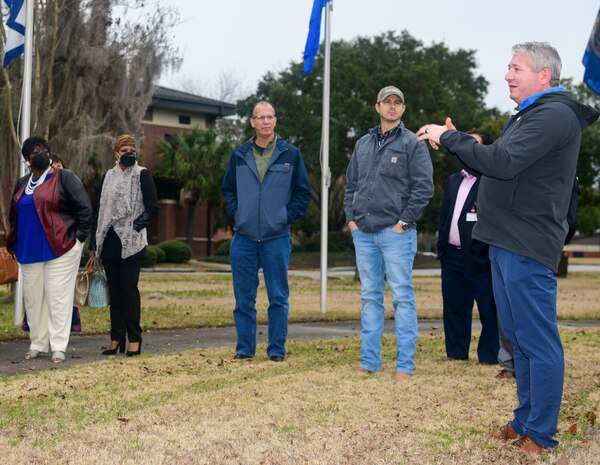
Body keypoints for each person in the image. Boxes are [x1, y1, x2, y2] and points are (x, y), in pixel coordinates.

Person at [418, 42, 599, 454]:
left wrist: (451, 137)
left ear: (544, 76)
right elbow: (495, 162)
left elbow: (501, 162)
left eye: (516, 68)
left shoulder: (554, 114)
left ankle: (540, 434)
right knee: (517, 339)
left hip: (526, 242)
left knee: (537, 341)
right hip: (503, 240)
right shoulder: (530, 114)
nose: (507, 75)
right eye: (508, 67)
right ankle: (524, 420)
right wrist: (455, 142)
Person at [344, 86, 434, 380]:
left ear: (403, 109)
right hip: (364, 233)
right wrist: (351, 220)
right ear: (377, 107)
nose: (392, 107)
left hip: (396, 233)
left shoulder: (412, 143)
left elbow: (424, 188)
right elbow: (351, 185)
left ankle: (404, 366)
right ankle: (369, 361)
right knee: (370, 297)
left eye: (397, 103)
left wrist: (404, 222)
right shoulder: (362, 144)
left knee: (402, 298)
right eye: (387, 102)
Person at [221, 101, 311, 362]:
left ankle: (276, 351)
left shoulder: (290, 154)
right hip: (244, 238)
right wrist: (238, 214)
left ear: (275, 120)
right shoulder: (239, 154)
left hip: (277, 238)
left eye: (270, 116)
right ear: (252, 122)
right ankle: (245, 350)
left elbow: (303, 193)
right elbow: (228, 190)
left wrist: (283, 217)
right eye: (260, 117)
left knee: (278, 298)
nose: (265, 122)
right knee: (243, 300)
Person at [7, 137, 91, 363]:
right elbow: (14, 216)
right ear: (27, 159)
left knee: (57, 297)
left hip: (60, 248)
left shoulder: (64, 177)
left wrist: (79, 240)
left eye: (44, 150)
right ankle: (37, 343)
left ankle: (58, 347)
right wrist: (13, 242)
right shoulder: (22, 184)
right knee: (33, 300)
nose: (41, 154)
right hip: (28, 251)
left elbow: (84, 209)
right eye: (35, 152)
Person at [90, 134, 158, 357]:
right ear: (116, 153)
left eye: (132, 148)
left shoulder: (142, 174)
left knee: (129, 291)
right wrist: (94, 242)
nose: (129, 151)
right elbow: (100, 211)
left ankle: (135, 339)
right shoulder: (107, 176)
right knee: (115, 294)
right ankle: (116, 338)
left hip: (132, 242)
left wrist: (136, 226)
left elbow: (152, 207)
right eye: (124, 148)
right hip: (108, 241)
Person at [437, 129, 499, 366]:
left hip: (481, 258)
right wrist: (442, 248)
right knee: (454, 307)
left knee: (490, 310)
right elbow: (445, 216)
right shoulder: (454, 179)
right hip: (451, 256)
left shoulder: (491, 181)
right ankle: (456, 353)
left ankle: (489, 356)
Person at [20, 154, 82, 333]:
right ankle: (38, 329)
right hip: (42, 245)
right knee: (40, 290)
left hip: (66, 244)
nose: (57, 167)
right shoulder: (39, 188)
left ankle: (65, 327)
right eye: (54, 164)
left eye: (60, 164)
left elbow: (81, 211)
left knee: (60, 291)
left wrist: (78, 238)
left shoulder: (69, 185)